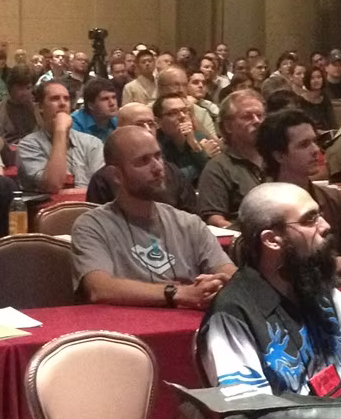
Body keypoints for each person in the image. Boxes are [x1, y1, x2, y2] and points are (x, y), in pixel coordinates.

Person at [195, 182, 341, 398]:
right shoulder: (233, 314)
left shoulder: (318, 288)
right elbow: (249, 412)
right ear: (272, 240)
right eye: (309, 220)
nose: (325, 226)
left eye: (320, 215)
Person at [72, 126, 237, 308]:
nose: (158, 167)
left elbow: (228, 271)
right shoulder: (92, 226)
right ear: (116, 175)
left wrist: (220, 283)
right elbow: (99, 288)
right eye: (143, 161)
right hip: (128, 329)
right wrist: (179, 293)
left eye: (158, 156)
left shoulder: (188, 222)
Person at [259, 108, 341, 287]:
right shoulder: (261, 206)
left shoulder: (336, 199)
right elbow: (278, 278)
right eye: (304, 145)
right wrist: (337, 264)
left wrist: (322, 283)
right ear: (279, 155)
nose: (316, 151)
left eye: (315, 142)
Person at [86, 101, 199, 212]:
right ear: (120, 129)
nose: (148, 129)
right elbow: (100, 221)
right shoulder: (103, 180)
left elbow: (192, 217)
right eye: (139, 125)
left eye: (151, 124)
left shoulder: (172, 171)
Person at [197, 90, 269, 228]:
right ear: (228, 126)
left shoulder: (278, 159)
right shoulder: (218, 168)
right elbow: (214, 220)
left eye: (260, 115)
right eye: (247, 117)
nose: (257, 121)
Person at [17, 80, 105, 192]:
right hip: (49, 209)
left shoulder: (92, 143)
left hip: (90, 207)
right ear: (40, 107)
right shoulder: (28, 145)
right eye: (55, 98)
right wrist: (60, 131)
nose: (63, 103)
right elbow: (54, 185)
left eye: (66, 99)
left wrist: (70, 193)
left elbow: (100, 189)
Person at [154, 92, 216, 188]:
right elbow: (169, 182)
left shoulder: (199, 138)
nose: (182, 116)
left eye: (185, 110)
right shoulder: (155, 147)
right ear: (158, 122)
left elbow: (215, 174)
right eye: (173, 113)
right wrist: (202, 156)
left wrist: (194, 145)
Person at [0, 69, 38, 145]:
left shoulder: (36, 109)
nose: (25, 93)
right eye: (21, 89)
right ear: (10, 88)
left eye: (28, 88)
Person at [72, 77, 120, 142]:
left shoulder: (117, 121)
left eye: (114, 97)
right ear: (91, 105)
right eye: (105, 99)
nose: (112, 103)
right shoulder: (75, 125)